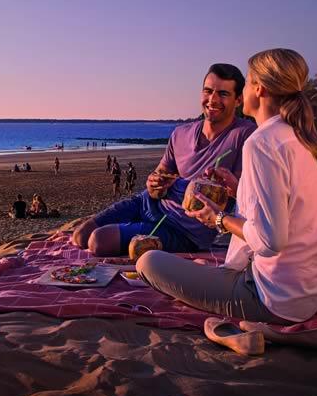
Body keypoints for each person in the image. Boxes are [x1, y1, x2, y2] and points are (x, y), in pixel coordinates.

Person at [137, 48, 317, 325]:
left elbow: (271, 241)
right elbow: (290, 206)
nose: (243, 89)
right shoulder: (305, 138)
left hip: (274, 299)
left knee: (148, 262)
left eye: (247, 81)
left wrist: (219, 219)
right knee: (199, 268)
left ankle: (260, 329)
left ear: (259, 89)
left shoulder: (262, 142)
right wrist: (240, 188)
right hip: (312, 291)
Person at [72, 62, 256, 256]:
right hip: (147, 204)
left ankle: (131, 229)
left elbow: (245, 195)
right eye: (208, 91)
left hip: (182, 230)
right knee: (80, 235)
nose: (213, 99)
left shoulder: (245, 135)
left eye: (223, 94)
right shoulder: (180, 133)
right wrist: (154, 183)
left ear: (238, 100)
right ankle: (131, 226)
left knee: (98, 241)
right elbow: (159, 177)